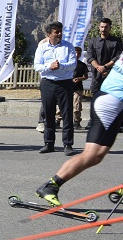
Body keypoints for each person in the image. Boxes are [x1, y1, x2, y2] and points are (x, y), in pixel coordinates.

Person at [35, 53, 123, 206]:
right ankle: (50, 186)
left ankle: (51, 186)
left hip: (110, 100)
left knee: (96, 156)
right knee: (91, 154)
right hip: (111, 102)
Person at [33, 21, 77, 155]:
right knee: (48, 114)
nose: (59, 34)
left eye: (60, 31)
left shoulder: (68, 47)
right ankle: (49, 143)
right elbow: (37, 66)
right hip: (48, 83)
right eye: (56, 32)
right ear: (49, 34)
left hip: (65, 83)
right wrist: (49, 66)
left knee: (67, 114)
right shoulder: (42, 48)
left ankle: (68, 144)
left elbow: (73, 64)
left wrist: (60, 66)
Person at [84, 18, 123, 128]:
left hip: (112, 74)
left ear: (110, 28)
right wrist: (99, 68)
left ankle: (117, 123)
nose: (104, 29)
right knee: (95, 97)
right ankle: (93, 121)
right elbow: (90, 57)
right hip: (97, 75)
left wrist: (105, 67)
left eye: (106, 27)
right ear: (99, 28)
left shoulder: (116, 41)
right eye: (102, 27)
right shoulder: (92, 41)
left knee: (114, 98)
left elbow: (118, 57)